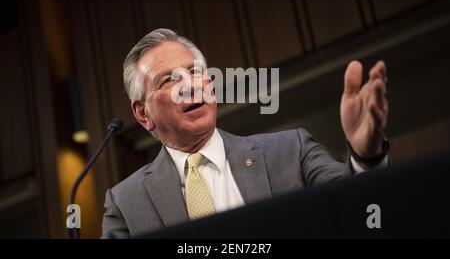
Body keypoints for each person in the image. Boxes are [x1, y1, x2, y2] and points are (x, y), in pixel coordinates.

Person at [101, 28, 389, 238]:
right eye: (168, 80)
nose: (190, 85)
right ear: (143, 113)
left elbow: (357, 214)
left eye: (195, 72)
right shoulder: (126, 203)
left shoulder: (291, 150)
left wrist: (366, 158)